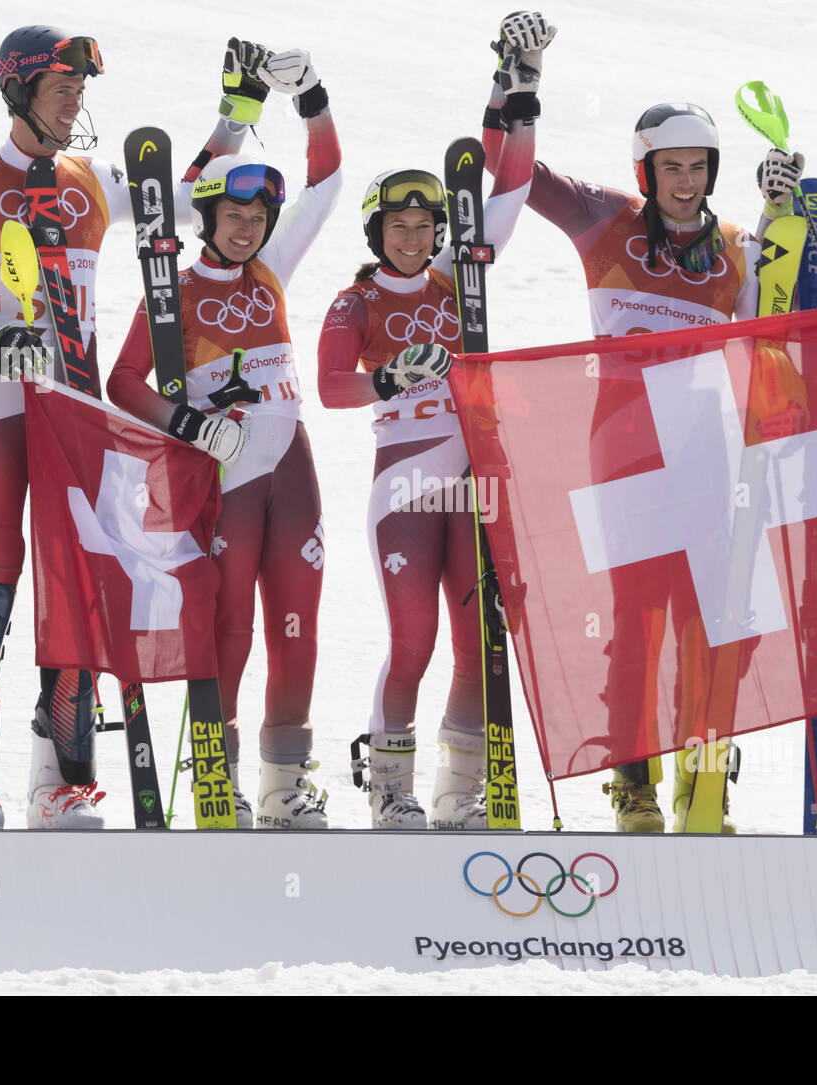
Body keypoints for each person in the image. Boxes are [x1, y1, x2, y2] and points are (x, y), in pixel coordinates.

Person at [0, 26, 258, 830]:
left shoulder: (88, 176)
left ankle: (61, 779)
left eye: (81, 90)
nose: (75, 101)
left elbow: (182, 193)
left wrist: (238, 111)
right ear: (19, 92)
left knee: (78, 588)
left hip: (77, 413)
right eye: (61, 88)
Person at [480, 11, 801, 833]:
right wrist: (518, 84)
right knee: (638, 620)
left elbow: (775, 326)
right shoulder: (605, 220)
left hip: (708, 452)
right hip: (622, 451)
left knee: (720, 619)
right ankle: (633, 782)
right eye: (671, 167)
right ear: (646, 168)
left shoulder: (735, 245)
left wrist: (786, 224)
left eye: (698, 167)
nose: (685, 181)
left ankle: (706, 777)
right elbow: (513, 173)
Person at [108, 44, 340, 830]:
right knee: (231, 623)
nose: (247, 228)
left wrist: (312, 98)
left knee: (298, 621)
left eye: (257, 216)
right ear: (205, 219)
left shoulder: (272, 268)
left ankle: (285, 782)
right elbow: (124, 381)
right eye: (233, 215)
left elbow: (331, 182)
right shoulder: (171, 289)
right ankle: (219, 772)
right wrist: (194, 426)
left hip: (293, 464)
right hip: (229, 474)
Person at [315, 126, 534, 828]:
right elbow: (327, 388)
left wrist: (519, 95)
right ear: (376, 232)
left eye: (423, 226)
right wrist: (386, 377)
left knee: (479, 644)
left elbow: (514, 189)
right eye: (398, 226)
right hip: (405, 485)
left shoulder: (455, 277)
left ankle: (456, 796)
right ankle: (391, 794)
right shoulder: (357, 302)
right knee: (414, 641)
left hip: (473, 482)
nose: (411, 238)